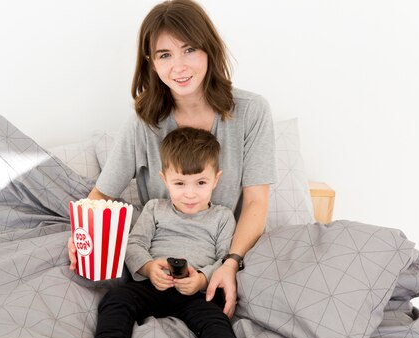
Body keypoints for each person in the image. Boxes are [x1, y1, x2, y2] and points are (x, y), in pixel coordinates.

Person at [68, 0, 277, 318]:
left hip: (221, 256)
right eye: (165, 55)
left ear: (209, 50)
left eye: (189, 49)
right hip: (157, 267)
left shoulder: (252, 111)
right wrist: (83, 235)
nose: (179, 67)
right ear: (151, 62)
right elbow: (101, 195)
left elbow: (256, 203)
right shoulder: (143, 122)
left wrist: (230, 264)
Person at [67, 127, 288, 338]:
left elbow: (224, 259)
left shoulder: (222, 217)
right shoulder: (154, 209)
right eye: (180, 183)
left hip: (196, 291)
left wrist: (202, 279)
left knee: (213, 319)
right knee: (116, 299)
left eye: (201, 183)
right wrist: (149, 268)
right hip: (153, 284)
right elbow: (133, 243)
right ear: (164, 179)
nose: (190, 193)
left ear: (216, 180)